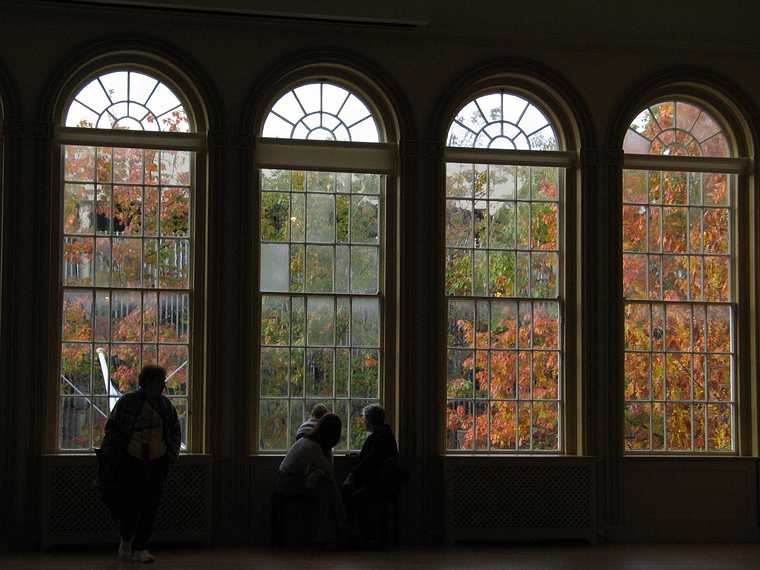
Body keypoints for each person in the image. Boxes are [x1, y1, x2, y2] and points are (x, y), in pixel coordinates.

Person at [98, 365, 181, 563]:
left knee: (151, 506)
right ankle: (126, 541)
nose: (162, 386)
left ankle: (141, 547)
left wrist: (170, 455)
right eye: (159, 382)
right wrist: (113, 455)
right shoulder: (127, 402)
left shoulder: (165, 406)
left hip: (158, 461)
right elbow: (113, 429)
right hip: (130, 460)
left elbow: (175, 431)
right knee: (129, 505)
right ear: (148, 382)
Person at [275, 414, 346, 548]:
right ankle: (330, 533)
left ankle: (328, 532)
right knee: (325, 488)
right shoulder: (314, 447)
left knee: (324, 485)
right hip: (288, 483)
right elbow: (329, 470)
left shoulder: (307, 441)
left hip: (285, 480)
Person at [342, 404, 399, 542]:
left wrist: (351, 476)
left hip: (377, 486)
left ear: (370, 420)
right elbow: (371, 459)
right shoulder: (387, 436)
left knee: (349, 495)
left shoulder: (376, 438)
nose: (364, 422)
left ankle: (358, 536)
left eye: (365, 419)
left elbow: (368, 464)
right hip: (385, 483)